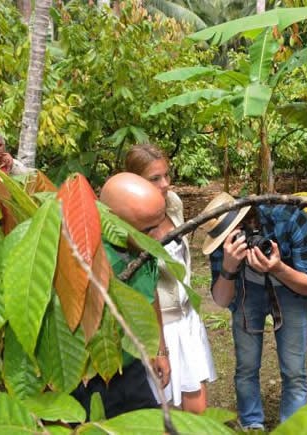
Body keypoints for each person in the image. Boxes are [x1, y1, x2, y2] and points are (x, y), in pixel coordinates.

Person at [201, 192, 307, 430]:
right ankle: (251, 424)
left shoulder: (289, 218)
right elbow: (222, 300)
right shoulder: (224, 235)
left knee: (295, 370)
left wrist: (278, 268)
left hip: (291, 287)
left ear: (251, 218)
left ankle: (293, 428)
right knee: (246, 365)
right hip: (246, 288)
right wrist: (228, 267)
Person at [125, 144, 216, 413]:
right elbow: (144, 286)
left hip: (186, 318)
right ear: (134, 182)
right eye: (155, 179)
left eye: (166, 175)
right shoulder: (129, 223)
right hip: (156, 326)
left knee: (196, 409)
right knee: (157, 413)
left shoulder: (173, 204)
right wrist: (158, 348)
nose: (165, 184)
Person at [72, 172, 171, 419]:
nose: (158, 237)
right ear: (114, 223)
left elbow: (151, 297)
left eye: (159, 225)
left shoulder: (144, 246)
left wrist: (158, 349)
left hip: (131, 367)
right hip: (87, 378)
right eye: (149, 229)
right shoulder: (81, 260)